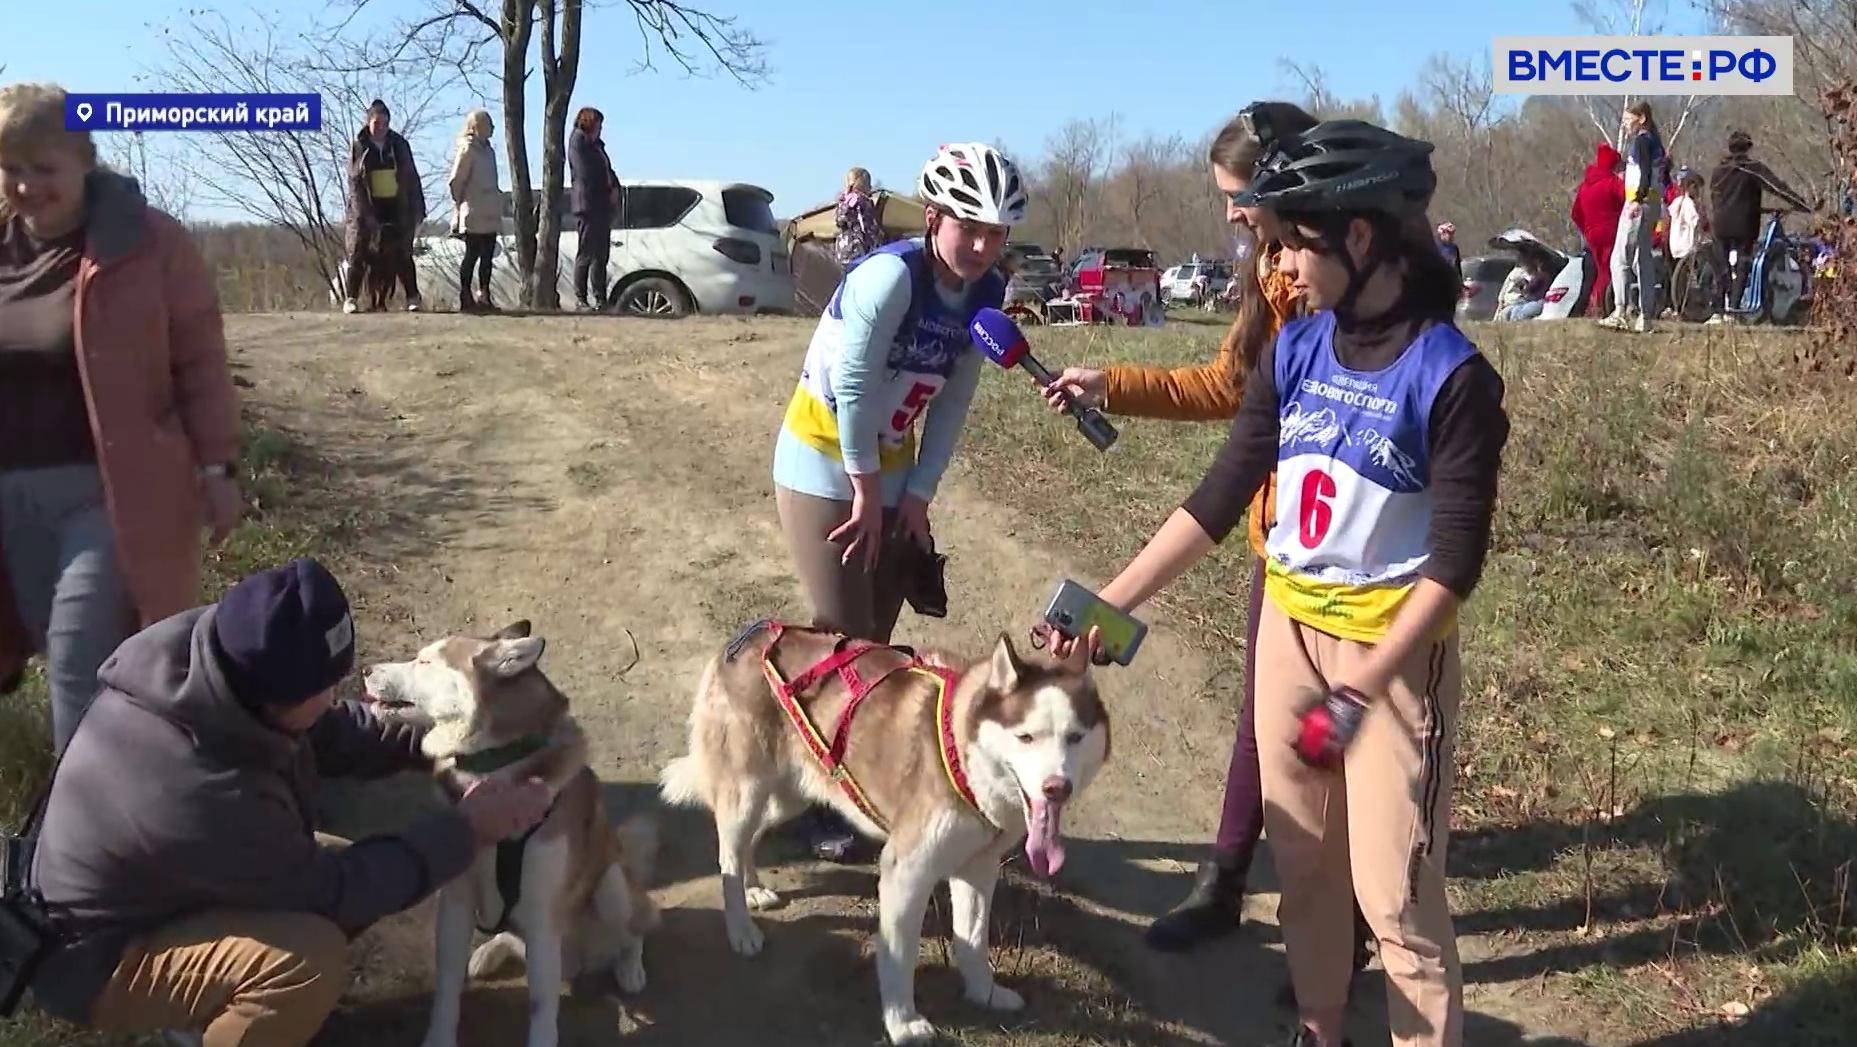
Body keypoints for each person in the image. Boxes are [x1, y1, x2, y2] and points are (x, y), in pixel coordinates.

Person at [1051, 118, 1508, 1047]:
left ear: (1361, 238)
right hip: (1287, 633)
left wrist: (1366, 683)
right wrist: (1112, 601)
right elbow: (1218, 499)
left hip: (1390, 657)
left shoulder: (1453, 377)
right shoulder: (1295, 351)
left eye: (1296, 241)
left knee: (1395, 900)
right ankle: (1319, 1029)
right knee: (1301, 869)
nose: (1281, 265)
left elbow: (1454, 564)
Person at [1040, 102, 1373, 970]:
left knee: (1342, 738)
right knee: (1265, 721)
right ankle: (1227, 881)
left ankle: (1357, 927)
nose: (1229, 214)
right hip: (1281, 538)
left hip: (1363, 561)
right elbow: (1233, 397)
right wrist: (1111, 381)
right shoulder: (1274, 276)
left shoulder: (1367, 309)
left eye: (1240, 196)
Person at [25, 557, 553, 1047]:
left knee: (338, 862)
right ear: (274, 697)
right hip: (94, 961)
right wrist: (468, 830)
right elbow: (334, 893)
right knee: (303, 960)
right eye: (325, 689)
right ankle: (205, 1027)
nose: (337, 697)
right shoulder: (200, 789)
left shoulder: (224, 664)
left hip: (151, 891)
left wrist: (459, 735)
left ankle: (228, 1003)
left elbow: (332, 728)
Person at [770, 141, 1024, 862]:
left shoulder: (985, 294)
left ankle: (851, 785)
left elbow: (952, 403)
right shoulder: (891, 277)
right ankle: (816, 797)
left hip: (886, 466)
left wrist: (916, 495)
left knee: (876, 647)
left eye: (996, 233)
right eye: (967, 226)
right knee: (843, 641)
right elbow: (851, 387)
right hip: (824, 461)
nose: (980, 245)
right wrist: (865, 488)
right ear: (934, 215)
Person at [0, 81, 243, 754]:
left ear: (84, 159)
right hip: (12, 501)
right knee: (60, 654)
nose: (25, 187)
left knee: (82, 663)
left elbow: (200, 360)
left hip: (110, 498)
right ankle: (147, 789)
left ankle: (79, 841)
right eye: (10, 169)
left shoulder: (146, 243)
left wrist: (218, 466)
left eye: (42, 169)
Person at [1707, 129, 1813, 322]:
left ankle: (1717, 310)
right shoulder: (1753, 168)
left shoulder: (1718, 170)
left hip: (1720, 223)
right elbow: (1778, 187)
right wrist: (1803, 205)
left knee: (1721, 267)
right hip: (1744, 225)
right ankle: (1734, 309)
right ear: (1748, 148)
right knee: (1742, 265)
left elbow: (1714, 195)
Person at [341, 99, 426, 314]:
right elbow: (354, 182)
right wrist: (364, 215)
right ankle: (351, 298)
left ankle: (412, 297)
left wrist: (418, 206)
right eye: (376, 123)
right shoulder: (359, 145)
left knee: (401, 252)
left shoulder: (399, 145)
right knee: (359, 252)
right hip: (367, 206)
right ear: (368, 122)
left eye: (385, 123)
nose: (380, 127)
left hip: (395, 203)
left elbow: (411, 177)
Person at [1600, 101, 1666, 333]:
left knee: (1620, 257)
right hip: (1654, 204)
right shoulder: (1656, 142)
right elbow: (1660, 173)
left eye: (1629, 119)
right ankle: (1645, 316)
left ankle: (1620, 311)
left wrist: (1637, 198)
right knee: (1643, 258)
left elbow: (1645, 172)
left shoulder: (1642, 141)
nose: (1626, 124)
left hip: (1638, 204)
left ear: (1642, 118)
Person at [447, 107, 504, 314]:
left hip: (489, 208)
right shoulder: (467, 149)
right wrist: (461, 203)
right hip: (473, 209)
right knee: (472, 254)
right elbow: (456, 180)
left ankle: (484, 294)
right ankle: (465, 294)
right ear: (476, 126)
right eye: (488, 124)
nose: (492, 128)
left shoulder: (488, 150)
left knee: (488, 256)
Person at [567, 106, 620, 311]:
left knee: (601, 255)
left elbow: (608, 169)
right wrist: (605, 187)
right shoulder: (578, 140)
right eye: (598, 124)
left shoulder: (598, 145)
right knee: (586, 253)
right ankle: (580, 298)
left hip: (602, 205)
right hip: (588, 204)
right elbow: (585, 171)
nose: (600, 129)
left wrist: (615, 186)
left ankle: (600, 298)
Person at [1570, 142, 1626, 316]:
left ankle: (1594, 304)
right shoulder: (1612, 182)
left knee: (1601, 270)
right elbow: (1629, 201)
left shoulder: (1585, 186)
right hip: (1611, 232)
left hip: (1592, 235)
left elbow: (1575, 213)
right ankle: (1601, 306)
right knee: (1611, 269)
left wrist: (1586, 229)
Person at [833, 166, 882, 265]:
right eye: (868, 184)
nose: (871, 187)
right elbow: (869, 227)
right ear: (863, 184)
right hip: (860, 251)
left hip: (843, 252)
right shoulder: (862, 201)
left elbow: (839, 221)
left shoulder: (843, 201)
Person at [1667, 170, 1705, 271]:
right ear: (1690, 187)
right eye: (1696, 187)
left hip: (1675, 246)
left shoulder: (1677, 202)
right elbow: (1695, 222)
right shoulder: (1689, 204)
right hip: (1686, 248)